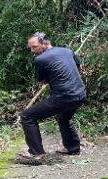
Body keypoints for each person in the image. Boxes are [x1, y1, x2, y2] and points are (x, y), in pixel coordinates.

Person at [18, 32, 87, 163]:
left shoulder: (40, 60)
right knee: (63, 117)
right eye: (30, 48)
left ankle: (36, 154)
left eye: (34, 47)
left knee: (27, 116)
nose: (32, 51)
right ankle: (73, 148)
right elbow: (78, 67)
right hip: (80, 94)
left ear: (45, 44)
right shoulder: (67, 51)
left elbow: (43, 81)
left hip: (64, 97)